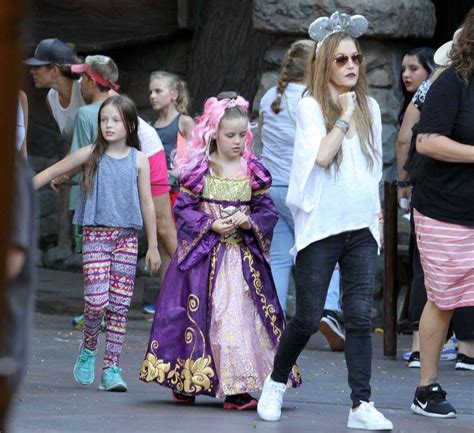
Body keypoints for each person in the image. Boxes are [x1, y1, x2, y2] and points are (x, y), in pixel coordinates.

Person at [257, 12, 393, 430]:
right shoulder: (311, 106)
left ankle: (360, 405)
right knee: (308, 314)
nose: (351, 65)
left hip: (361, 227)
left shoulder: (370, 105)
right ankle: (276, 381)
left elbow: (372, 169)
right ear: (324, 65)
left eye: (356, 58)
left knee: (357, 316)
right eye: (341, 59)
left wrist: (378, 221)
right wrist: (345, 115)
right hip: (321, 226)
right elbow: (321, 156)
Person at [139, 92, 300, 409]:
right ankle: (185, 378)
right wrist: (210, 224)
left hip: (241, 261)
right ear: (213, 134)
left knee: (236, 319)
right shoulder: (200, 170)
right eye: (230, 135)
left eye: (243, 134)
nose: (238, 141)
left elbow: (266, 212)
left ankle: (238, 388)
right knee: (192, 316)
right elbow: (184, 211)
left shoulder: (252, 170)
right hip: (202, 260)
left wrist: (247, 219)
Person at [33, 95, 161, 392]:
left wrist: (153, 245)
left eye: (116, 120)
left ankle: (111, 369)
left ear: (130, 124)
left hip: (126, 238)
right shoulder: (90, 153)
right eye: (104, 120)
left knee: (119, 306)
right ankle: (89, 346)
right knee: (96, 301)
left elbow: (147, 202)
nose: (108, 125)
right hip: (96, 237)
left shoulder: (138, 159)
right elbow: (53, 171)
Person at [259, 39, 345, 350]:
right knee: (327, 251)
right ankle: (328, 309)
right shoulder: (314, 100)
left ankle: (274, 319)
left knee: (280, 258)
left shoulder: (272, 96)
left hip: (272, 187)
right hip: (305, 187)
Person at [409, 9, 474, 418]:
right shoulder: (452, 81)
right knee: (445, 297)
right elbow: (426, 142)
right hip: (445, 210)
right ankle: (425, 388)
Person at [395, 47, 438, 368]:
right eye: (403, 69)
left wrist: (403, 182)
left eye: (413, 68)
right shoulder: (426, 94)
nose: (406, 75)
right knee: (424, 265)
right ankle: (423, 341)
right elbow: (404, 140)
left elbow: (404, 141)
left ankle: (420, 342)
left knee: (423, 264)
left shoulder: (425, 97)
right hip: (432, 188)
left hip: (423, 187)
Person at [144, 71, 194, 314]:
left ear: (174, 94)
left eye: (158, 91)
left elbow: (199, 155)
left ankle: (191, 290)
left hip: (177, 192)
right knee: (164, 248)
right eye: (151, 91)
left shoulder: (183, 122)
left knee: (174, 243)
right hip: (156, 193)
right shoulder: (150, 127)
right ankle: (168, 299)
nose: (152, 96)